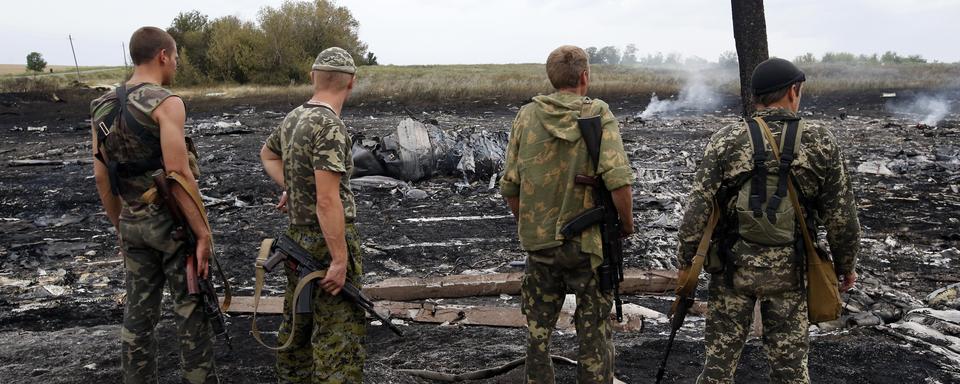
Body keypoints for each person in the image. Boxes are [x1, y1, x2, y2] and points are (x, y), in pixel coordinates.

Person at [676, 57, 861, 384]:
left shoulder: (726, 139)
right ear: (793, 91)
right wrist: (845, 265)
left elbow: (697, 208)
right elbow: (841, 215)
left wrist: (686, 261)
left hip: (732, 270)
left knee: (717, 367)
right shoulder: (820, 140)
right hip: (790, 272)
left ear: (755, 96)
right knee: (790, 372)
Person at [500, 45, 635, 384]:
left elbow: (510, 187)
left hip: (540, 246)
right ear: (584, 76)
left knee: (538, 334)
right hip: (587, 248)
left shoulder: (526, 116)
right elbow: (619, 182)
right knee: (593, 336)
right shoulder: (598, 114)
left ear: (551, 77)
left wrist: (529, 225)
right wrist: (626, 226)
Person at [90, 27, 218, 383]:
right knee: (191, 312)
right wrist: (203, 233)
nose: (176, 65)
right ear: (163, 55)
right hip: (172, 225)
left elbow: (102, 177)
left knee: (138, 317)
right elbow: (178, 173)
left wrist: (121, 226)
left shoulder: (100, 106)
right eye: (175, 58)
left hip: (132, 221)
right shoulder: (166, 102)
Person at [259, 47, 365, 383]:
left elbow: (268, 155)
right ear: (351, 83)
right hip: (325, 239)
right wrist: (339, 259)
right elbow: (328, 202)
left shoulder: (295, 117)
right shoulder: (330, 126)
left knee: (298, 326)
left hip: (297, 240)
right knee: (339, 336)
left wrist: (295, 186)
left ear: (312, 77)